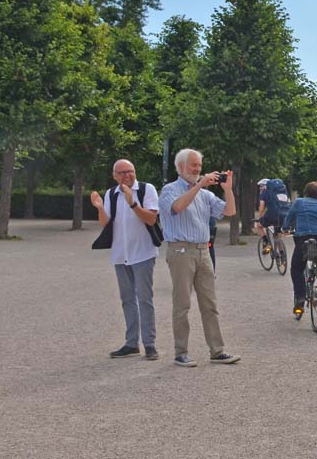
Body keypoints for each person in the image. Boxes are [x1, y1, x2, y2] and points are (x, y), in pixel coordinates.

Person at [158, 148, 240, 367]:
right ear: (180, 167)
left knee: (210, 304)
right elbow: (177, 207)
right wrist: (200, 184)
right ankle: (181, 352)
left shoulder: (205, 193)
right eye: (193, 166)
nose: (197, 170)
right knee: (182, 304)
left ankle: (217, 350)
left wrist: (228, 190)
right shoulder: (170, 189)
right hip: (181, 251)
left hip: (204, 251)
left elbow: (229, 212)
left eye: (199, 166)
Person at [91, 160, 161, 360]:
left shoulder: (147, 190)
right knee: (127, 300)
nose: (126, 176)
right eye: (121, 173)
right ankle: (132, 343)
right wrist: (99, 207)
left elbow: (151, 219)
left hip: (143, 253)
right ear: (114, 175)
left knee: (145, 299)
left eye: (129, 171)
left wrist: (132, 202)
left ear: (135, 172)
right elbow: (106, 223)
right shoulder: (111, 194)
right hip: (121, 254)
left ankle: (149, 344)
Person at [282, 181, 317, 319]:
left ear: (305, 192)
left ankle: (300, 297)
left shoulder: (299, 202)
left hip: (305, 239)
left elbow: (288, 218)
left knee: (296, 269)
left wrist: (284, 228)